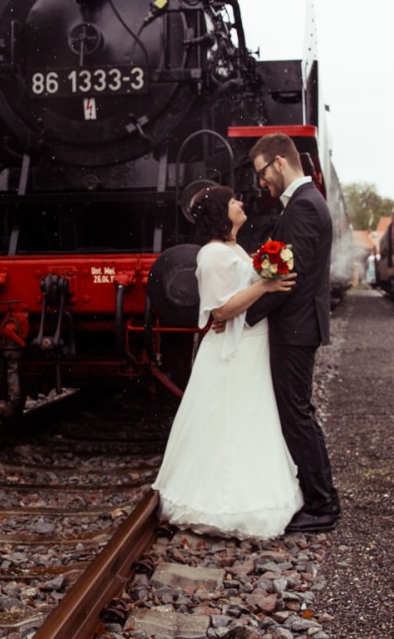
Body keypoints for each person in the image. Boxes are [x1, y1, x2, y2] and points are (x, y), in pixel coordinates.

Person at [152, 185, 304, 541]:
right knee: (228, 419)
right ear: (222, 211)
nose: (240, 203)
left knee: (250, 418)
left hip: (249, 345)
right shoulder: (212, 255)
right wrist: (265, 286)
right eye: (234, 201)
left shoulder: (232, 249)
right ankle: (223, 503)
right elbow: (219, 311)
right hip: (233, 352)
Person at [238, 133, 340, 533]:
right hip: (298, 325)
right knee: (297, 412)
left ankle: (322, 504)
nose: (261, 181)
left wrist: (244, 315)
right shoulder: (304, 203)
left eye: (262, 171)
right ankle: (318, 498)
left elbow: (287, 280)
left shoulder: (303, 206)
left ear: (279, 162)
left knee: (296, 413)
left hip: (296, 327)